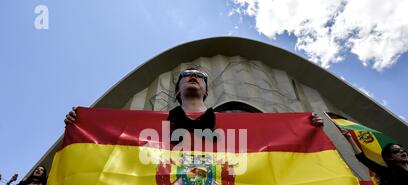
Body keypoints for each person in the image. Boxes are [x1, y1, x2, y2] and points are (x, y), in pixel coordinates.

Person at [65, 67, 324, 128]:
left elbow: (272, 138)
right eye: (186, 75)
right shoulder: (156, 123)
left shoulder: (230, 121)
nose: (193, 77)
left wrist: (305, 126)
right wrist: (82, 122)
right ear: (177, 90)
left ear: (206, 90)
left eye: (199, 76)